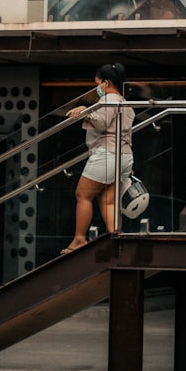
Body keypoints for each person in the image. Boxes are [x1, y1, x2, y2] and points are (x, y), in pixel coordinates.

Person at [62, 63, 135, 254]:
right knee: (108, 200)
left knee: (83, 195)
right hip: (123, 156)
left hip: (106, 155)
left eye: (97, 83)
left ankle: (79, 239)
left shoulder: (109, 99)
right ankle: (115, 236)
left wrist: (83, 110)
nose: (97, 88)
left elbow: (102, 123)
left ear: (106, 82)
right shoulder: (124, 102)